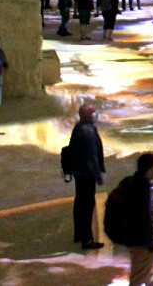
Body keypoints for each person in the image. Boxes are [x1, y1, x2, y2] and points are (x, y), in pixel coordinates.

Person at [67, 103, 106, 251]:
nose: (96, 114)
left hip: (79, 172)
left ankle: (79, 234)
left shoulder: (80, 127)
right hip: (86, 174)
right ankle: (87, 240)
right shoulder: (87, 131)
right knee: (87, 206)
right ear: (87, 115)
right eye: (93, 112)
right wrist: (98, 176)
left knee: (80, 204)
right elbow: (91, 157)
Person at [120, 152, 153, 285]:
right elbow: (145, 217)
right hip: (142, 242)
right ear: (151, 168)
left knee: (147, 274)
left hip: (135, 239)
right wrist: (151, 243)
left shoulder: (131, 184)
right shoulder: (143, 189)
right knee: (139, 277)